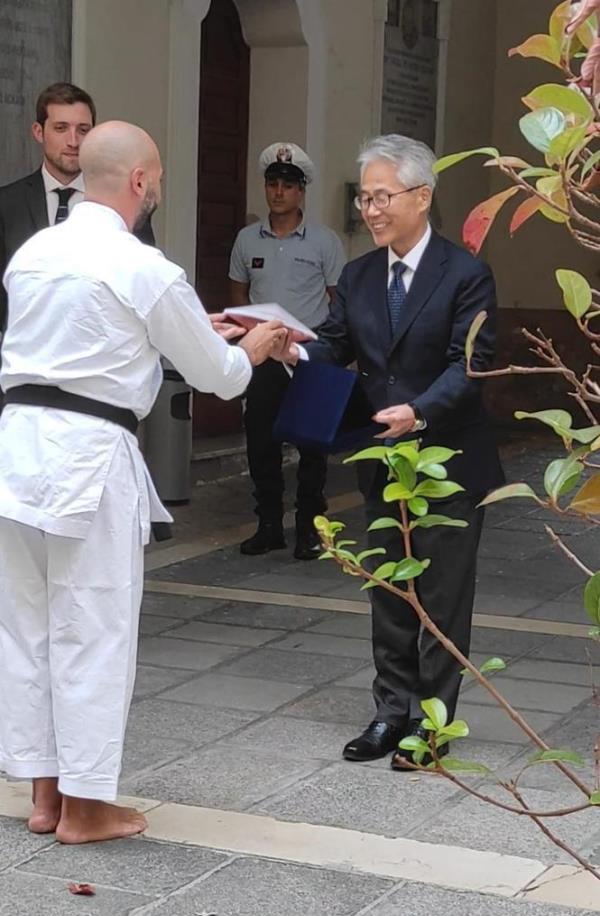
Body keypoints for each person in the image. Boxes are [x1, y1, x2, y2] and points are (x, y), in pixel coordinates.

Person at [0, 120, 285, 844]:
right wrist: (252, 343)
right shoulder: (143, 266)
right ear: (138, 182)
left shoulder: (34, 252)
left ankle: (44, 793)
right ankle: (88, 807)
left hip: (16, 450)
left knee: (26, 627)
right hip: (88, 457)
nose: (156, 188)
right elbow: (216, 375)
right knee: (92, 626)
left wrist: (194, 323)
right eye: (155, 177)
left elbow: (95, 334)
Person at [273, 134, 504, 768]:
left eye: (382, 197)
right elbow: (333, 344)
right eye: (365, 199)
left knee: (441, 595)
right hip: (382, 457)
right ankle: (389, 711)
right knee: (389, 588)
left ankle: (432, 724)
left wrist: (421, 409)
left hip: (447, 463)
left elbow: (471, 364)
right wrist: (288, 348)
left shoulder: (466, 275)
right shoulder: (358, 275)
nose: (371, 210)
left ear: (422, 196)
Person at [228, 142, 346, 560]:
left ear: (301, 192)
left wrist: (328, 349)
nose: (278, 192)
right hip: (264, 355)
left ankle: (310, 529)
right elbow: (239, 293)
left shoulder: (324, 242)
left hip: (308, 355)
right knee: (261, 441)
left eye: (287, 186)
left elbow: (338, 301)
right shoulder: (247, 240)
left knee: (313, 447)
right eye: (272, 184)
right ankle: (269, 525)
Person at [0, 82, 154, 336]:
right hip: (24, 360)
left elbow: (144, 281)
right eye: (61, 128)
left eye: (83, 130)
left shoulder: (124, 203)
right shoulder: (7, 204)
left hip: (102, 356)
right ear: (39, 132)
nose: (73, 141)